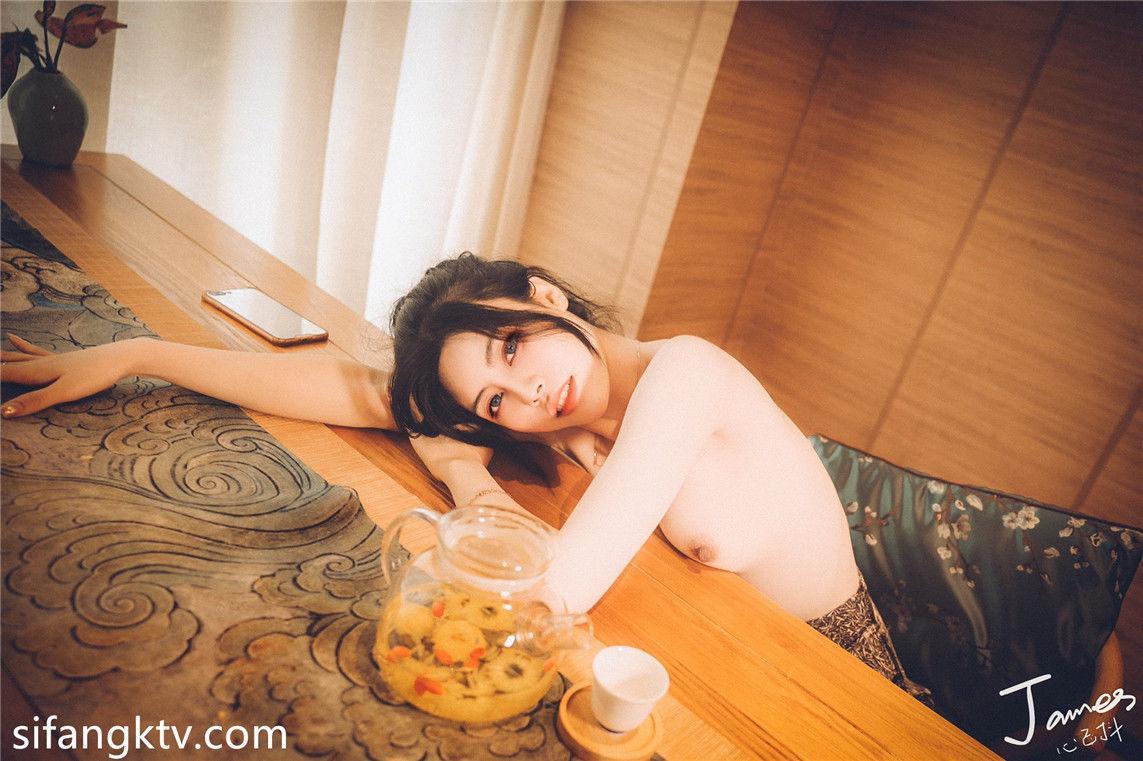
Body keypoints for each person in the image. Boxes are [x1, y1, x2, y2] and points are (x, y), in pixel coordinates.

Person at [0, 253, 930, 703]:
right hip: (729, 660)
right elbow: (349, 388)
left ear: (544, 296)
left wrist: (455, 469)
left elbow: (557, 589)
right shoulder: (567, 411)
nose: (526, 392)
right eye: (494, 401)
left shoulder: (684, 373)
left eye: (513, 344)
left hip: (849, 684)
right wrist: (139, 354)